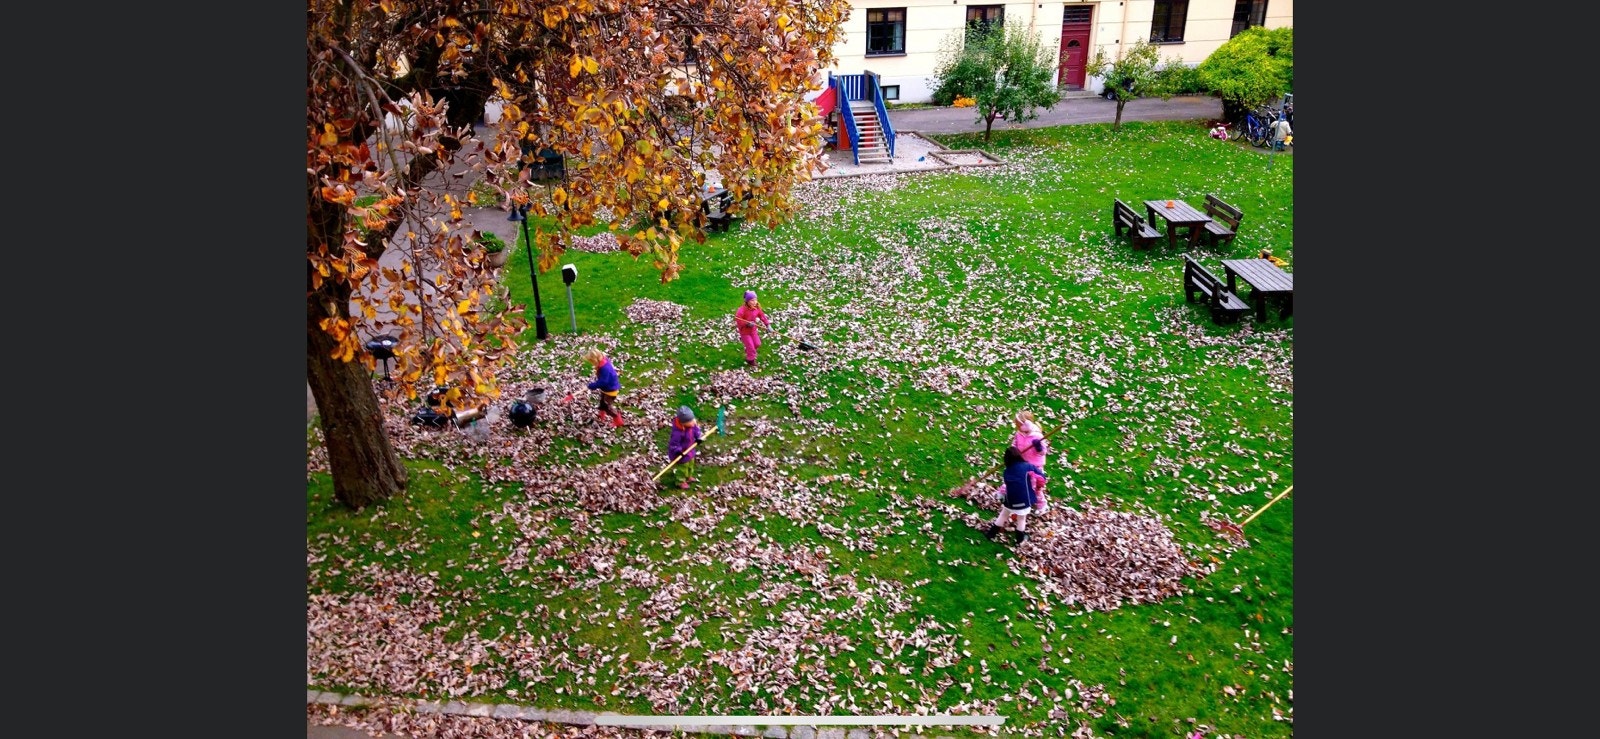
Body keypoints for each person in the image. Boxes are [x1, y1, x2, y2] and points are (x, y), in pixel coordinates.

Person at [985, 445, 1047, 544]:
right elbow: (1041, 477)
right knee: (1022, 519)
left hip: (1010, 500)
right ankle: (1020, 539)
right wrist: (1039, 486)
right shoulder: (1028, 467)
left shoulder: (1006, 471)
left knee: (1003, 514)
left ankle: (991, 534)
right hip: (1024, 500)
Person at [993, 411, 1050, 510]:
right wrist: (1013, 452)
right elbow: (1014, 444)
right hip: (1021, 462)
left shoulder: (1038, 436)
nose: (1018, 427)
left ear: (1027, 424)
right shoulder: (1019, 433)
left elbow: (1043, 452)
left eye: (1019, 425)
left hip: (1034, 465)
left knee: (1034, 485)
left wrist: (1038, 448)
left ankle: (1042, 505)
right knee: (1013, 478)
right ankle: (1003, 492)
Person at [665, 405, 704, 489]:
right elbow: (673, 444)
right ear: (683, 423)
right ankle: (680, 481)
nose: (693, 422)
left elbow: (696, 430)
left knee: (690, 464)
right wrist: (678, 451)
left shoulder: (692, 425)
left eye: (693, 419)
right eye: (690, 421)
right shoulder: (678, 433)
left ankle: (688, 476)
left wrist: (698, 438)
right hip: (681, 453)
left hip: (690, 450)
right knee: (682, 467)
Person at [583, 348, 624, 427]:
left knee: (608, 407)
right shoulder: (603, 361)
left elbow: (603, 382)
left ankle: (618, 420)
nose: (592, 363)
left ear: (595, 360)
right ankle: (601, 417)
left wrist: (592, 386)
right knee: (602, 403)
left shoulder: (605, 368)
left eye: (592, 362)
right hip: (606, 389)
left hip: (611, 390)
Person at [733, 290, 771, 368]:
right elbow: (738, 318)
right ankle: (750, 360)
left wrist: (768, 325)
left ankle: (748, 351)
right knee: (751, 347)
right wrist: (747, 323)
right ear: (747, 301)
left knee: (757, 344)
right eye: (752, 300)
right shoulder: (742, 310)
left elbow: (762, 316)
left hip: (753, 330)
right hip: (745, 332)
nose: (755, 302)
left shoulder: (756, 308)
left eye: (755, 299)